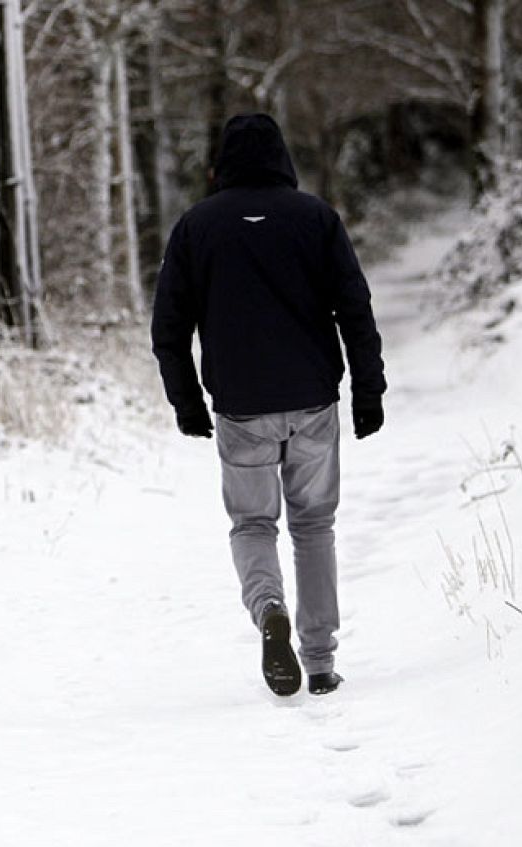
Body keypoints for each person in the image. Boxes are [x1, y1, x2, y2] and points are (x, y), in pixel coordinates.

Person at [150, 113, 386, 698]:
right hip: (312, 401)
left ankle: (268, 608)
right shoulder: (316, 218)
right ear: (282, 157)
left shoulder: (197, 227)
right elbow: (355, 309)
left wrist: (187, 403)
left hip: (241, 407)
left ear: (221, 164)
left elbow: (169, 329)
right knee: (314, 525)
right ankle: (320, 661)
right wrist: (368, 390)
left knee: (253, 524)